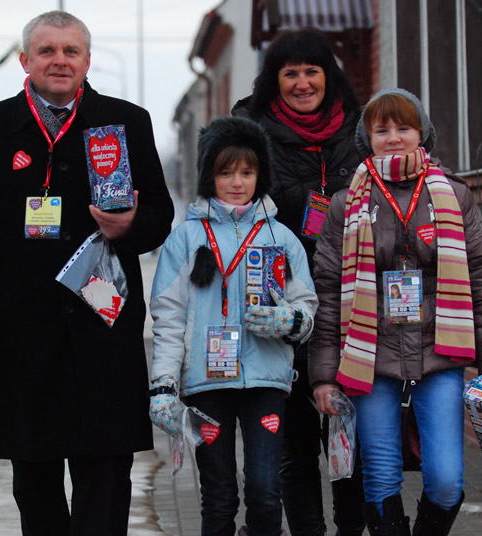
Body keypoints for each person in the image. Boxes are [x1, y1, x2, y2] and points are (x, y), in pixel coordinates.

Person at [0, 10, 174, 535]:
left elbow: (160, 215)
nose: (59, 61)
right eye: (47, 51)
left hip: (103, 328)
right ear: (25, 60)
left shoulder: (126, 122)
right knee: (34, 476)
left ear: (87, 61)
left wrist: (129, 226)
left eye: (71, 51)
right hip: (26, 329)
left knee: (106, 475)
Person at [308, 88, 482, 535]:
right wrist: (323, 375)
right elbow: (327, 291)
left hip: (440, 351)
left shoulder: (454, 195)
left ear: (422, 132)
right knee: (380, 476)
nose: (394, 138)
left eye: (403, 127)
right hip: (369, 355)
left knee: (445, 478)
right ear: (368, 137)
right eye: (382, 130)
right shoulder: (347, 203)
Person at [147, 116, 318, 536]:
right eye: (225, 172)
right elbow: (169, 318)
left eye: (247, 171)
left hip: (267, 381)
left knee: (265, 488)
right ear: (209, 176)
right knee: (218, 495)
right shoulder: (185, 239)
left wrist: (290, 320)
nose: (237, 182)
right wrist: (164, 385)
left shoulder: (282, 239)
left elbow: (307, 310)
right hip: (206, 385)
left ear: (261, 174)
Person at [232, 28, 366, 536]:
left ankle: (350, 529)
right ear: (275, 79)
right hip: (280, 303)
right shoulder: (248, 131)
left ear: (328, 76)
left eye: (312, 71)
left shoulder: (361, 127)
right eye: (290, 73)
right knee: (294, 441)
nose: (303, 83)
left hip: (354, 304)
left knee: (349, 432)